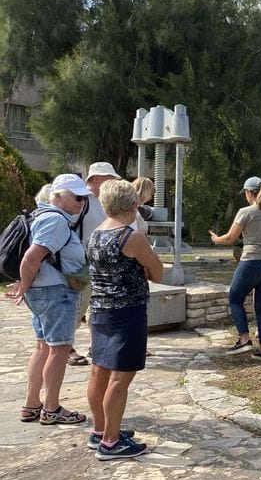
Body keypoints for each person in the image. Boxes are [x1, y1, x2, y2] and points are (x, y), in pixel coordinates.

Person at [6, 174, 92, 425]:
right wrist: (24, 284)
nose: (81, 202)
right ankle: (52, 408)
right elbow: (31, 258)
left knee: (43, 347)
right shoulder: (55, 220)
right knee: (59, 349)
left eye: (83, 198)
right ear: (57, 197)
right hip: (55, 292)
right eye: (76, 197)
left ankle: (32, 404)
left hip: (44, 290)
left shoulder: (42, 216)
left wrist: (27, 285)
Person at [86, 180, 163, 459]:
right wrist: (144, 268)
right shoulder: (130, 236)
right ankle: (111, 442)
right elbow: (157, 271)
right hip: (126, 312)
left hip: (100, 310)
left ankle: (100, 430)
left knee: (99, 370)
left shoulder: (95, 234)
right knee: (120, 377)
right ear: (133, 204)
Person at [209, 177, 261, 361]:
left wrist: (215, 239)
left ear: (249, 193)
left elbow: (230, 238)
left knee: (235, 298)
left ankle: (244, 339)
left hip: (251, 262)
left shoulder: (246, 212)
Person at [69, 161, 121, 367]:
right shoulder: (83, 200)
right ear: (96, 179)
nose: (113, 183)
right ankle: (66, 346)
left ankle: (97, 344)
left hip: (100, 264)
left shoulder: (103, 202)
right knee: (77, 306)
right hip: (80, 263)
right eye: (110, 178)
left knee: (96, 307)